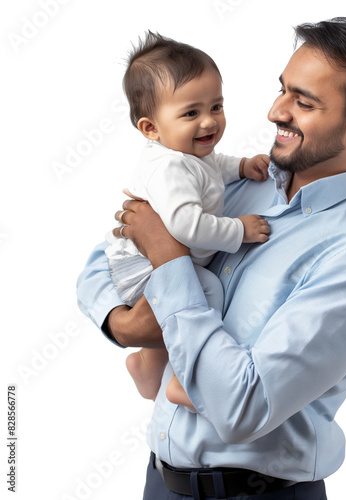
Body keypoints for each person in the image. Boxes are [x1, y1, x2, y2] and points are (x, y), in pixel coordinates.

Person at [77, 17, 346, 500]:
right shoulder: (242, 181)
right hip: (160, 482)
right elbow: (107, 256)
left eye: (303, 102)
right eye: (283, 90)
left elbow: (241, 409)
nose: (276, 111)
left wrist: (171, 262)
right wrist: (122, 325)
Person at [104, 32, 271, 405]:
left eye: (216, 106)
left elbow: (213, 168)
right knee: (205, 293)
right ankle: (185, 377)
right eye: (191, 113)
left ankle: (148, 366)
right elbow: (187, 226)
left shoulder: (187, 154)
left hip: (145, 259)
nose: (209, 122)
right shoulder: (169, 169)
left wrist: (242, 166)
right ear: (151, 128)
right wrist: (238, 230)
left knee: (173, 309)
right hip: (143, 265)